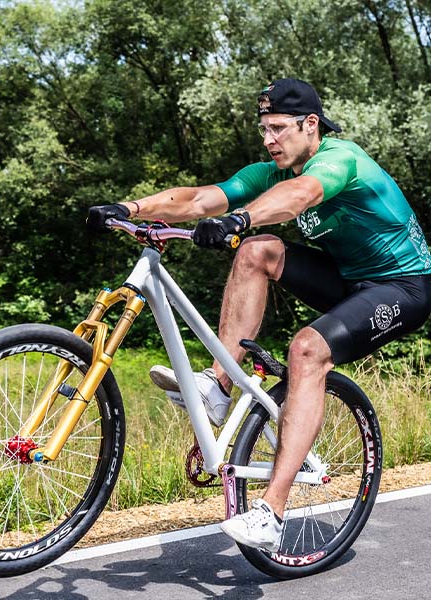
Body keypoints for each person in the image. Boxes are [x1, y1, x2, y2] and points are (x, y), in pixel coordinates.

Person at [87, 78, 431, 551]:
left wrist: (241, 218)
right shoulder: (272, 169)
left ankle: (272, 510)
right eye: (263, 130)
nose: (269, 140)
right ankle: (216, 386)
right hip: (347, 278)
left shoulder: (338, 159)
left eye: (278, 129)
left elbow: (302, 196)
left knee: (306, 350)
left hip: (403, 287)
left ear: (310, 124)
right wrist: (129, 207)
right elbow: (201, 199)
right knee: (256, 252)